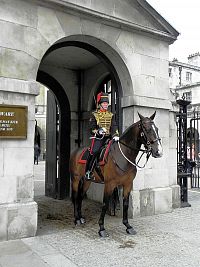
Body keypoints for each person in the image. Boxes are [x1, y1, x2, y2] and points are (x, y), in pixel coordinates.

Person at [84, 92, 119, 180]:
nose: (106, 105)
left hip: (109, 138)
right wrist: (99, 131)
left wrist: (115, 135)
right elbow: (91, 128)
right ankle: (88, 172)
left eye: (107, 103)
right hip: (99, 138)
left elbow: (114, 126)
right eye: (104, 103)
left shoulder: (111, 115)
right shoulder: (94, 114)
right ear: (100, 104)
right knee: (94, 151)